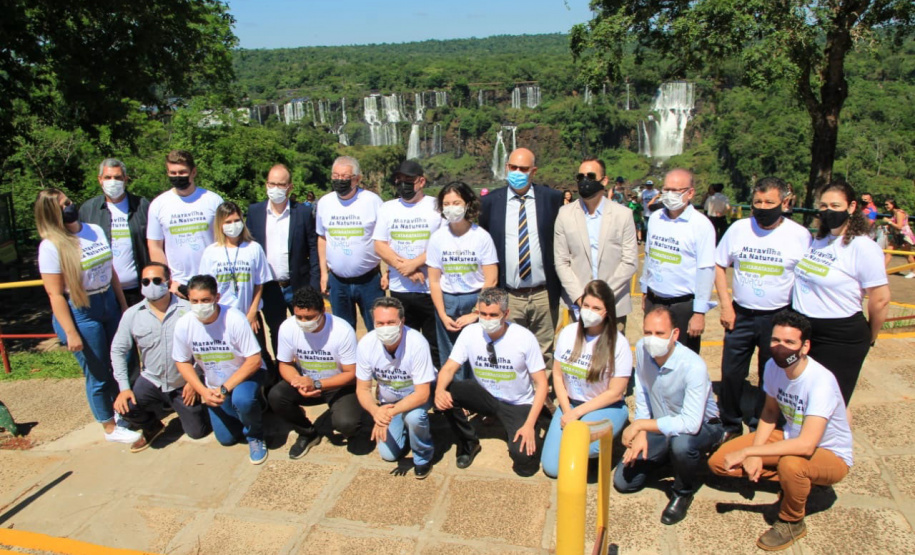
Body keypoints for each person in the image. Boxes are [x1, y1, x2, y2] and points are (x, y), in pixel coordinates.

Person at [708, 310, 853, 552]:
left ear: (805, 346)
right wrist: (755, 452)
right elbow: (770, 413)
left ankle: (792, 520)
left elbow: (807, 445)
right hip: (789, 437)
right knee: (719, 463)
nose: (780, 347)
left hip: (829, 453)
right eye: (775, 340)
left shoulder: (820, 382)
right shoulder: (773, 367)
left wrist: (750, 453)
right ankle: (800, 482)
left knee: (791, 465)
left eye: (789, 342)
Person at [35, 188, 137, 443]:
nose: (69, 207)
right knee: (99, 372)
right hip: (81, 310)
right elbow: (55, 294)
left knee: (121, 361)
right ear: (52, 214)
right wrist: (70, 332)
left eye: (68, 201)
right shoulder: (51, 246)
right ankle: (110, 427)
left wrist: (123, 306)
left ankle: (122, 411)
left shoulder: (94, 230)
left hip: (108, 301)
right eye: (62, 206)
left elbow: (110, 270)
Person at [715, 177, 811, 441]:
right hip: (741, 313)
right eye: (757, 202)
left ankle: (762, 423)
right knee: (732, 372)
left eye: (769, 202)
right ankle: (730, 423)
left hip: (778, 317)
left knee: (772, 372)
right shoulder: (738, 229)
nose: (763, 207)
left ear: (784, 202)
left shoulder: (799, 235)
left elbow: (808, 277)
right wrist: (726, 305)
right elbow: (719, 265)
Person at [614, 306, 723, 525]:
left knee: (682, 444)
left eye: (659, 334)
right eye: (647, 332)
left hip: (702, 427)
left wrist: (641, 425)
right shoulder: (644, 350)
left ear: (675, 334)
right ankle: (668, 457)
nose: (652, 339)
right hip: (663, 424)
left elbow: (691, 423)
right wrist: (643, 431)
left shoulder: (693, 366)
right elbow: (643, 390)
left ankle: (682, 492)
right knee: (624, 482)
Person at [793, 181, 890, 405]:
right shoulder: (820, 240)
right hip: (805, 329)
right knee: (802, 398)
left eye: (835, 205)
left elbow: (881, 298)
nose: (828, 211)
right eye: (824, 206)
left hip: (838, 336)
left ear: (852, 207)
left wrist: (871, 336)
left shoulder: (862, 247)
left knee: (828, 403)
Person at [435, 288, 549, 477]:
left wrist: (529, 424)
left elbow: (542, 384)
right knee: (446, 390)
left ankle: (528, 425)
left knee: (524, 464)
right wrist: (439, 390)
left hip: (517, 403)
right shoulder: (470, 333)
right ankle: (468, 443)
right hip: (485, 397)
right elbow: (448, 368)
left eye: (493, 315)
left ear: (506, 314)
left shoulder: (524, 338)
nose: (487, 319)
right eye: (483, 314)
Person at [111, 263, 210, 452]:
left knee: (197, 432)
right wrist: (124, 388)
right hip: (152, 379)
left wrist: (195, 380)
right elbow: (118, 350)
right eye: (145, 281)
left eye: (157, 280)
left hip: (183, 383)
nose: (151, 285)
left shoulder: (189, 310)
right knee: (125, 407)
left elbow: (205, 347)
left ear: (168, 282)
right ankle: (151, 426)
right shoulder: (132, 315)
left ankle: (185, 408)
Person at [479, 148, 563, 365]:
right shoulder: (490, 203)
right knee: (510, 350)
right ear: (506, 168)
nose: (517, 172)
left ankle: (542, 396)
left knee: (544, 351)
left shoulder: (552, 199)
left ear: (533, 171)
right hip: (510, 294)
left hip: (543, 293)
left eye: (523, 169)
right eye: (513, 167)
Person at [541, 280, 632, 478]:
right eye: (586, 306)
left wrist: (577, 414)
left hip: (604, 406)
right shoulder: (568, 333)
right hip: (571, 403)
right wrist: (566, 410)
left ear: (607, 311)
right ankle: (577, 446)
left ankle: (603, 441)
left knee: (584, 445)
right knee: (552, 468)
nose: (589, 311)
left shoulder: (619, 344)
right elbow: (557, 374)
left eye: (596, 308)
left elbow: (615, 392)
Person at [173, 275, 267, 464]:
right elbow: (181, 361)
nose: (200, 305)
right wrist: (203, 391)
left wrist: (225, 389)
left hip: (245, 376)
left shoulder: (234, 318)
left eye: (205, 300)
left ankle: (255, 435)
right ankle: (252, 412)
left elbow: (254, 360)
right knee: (226, 439)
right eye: (195, 301)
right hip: (213, 385)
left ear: (217, 297)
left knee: (243, 400)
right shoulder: (184, 324)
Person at [268, 286, 364, 459]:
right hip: (306, 381)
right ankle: (307, 432)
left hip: (338, 384)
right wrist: (297, 381)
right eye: (299, 317)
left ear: (322, 311)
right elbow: (285, 364)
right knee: (276, 396)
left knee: (347, 423)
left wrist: (318, 384)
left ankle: (355, 419)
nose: (304, 322)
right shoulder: (288, 328)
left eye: (309, 317)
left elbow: (352, 373)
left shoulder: (342, 331)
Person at [356, 297, 436, 479]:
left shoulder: (417, 343)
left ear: (402, 321)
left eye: (391, 322)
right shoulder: (366, 344)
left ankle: (423, 456)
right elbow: (362, 388)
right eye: (380, 323)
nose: (385, 327)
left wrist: (387, 415)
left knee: (415, 417)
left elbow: (422, 394)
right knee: (389, 455)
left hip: (415, 398)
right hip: (388, 403)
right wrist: (376, 412)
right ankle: (405, 429)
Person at [554, 158, 638, 330]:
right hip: (578, 306)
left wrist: (602, 298)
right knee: (578, 356)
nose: (585, 181)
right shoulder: (564, 214)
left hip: (613, 305)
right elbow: (561, 261)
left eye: (591, 176)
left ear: (604, 180)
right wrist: (581, 298)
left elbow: (629, 261)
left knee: (611, 356)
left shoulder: (623, 215)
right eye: (580, 177)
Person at [247, 164, 320, 362]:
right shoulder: (254, 212)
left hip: (297, 284)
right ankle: (282, 372)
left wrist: (315, 284)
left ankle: (309, 368)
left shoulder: (303, 213)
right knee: (277, 331)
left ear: (290, 187)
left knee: (306, 329)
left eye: (281, 184)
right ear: (266, 185)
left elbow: (313, 249)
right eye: (272, 183)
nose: (276, 188)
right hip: (270, 287)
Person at [639, 168, 715, 354]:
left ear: (690, 193)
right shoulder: (656, 218)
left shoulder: (701, 225)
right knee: (653, 350)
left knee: (682, 357)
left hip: (682, 305)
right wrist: (644, 291)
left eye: (675, 190)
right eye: (666, 190)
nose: (669, 195)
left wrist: (699, 312)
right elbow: (650, 255)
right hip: (654, 299)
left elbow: (706, 270)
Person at [373, 160, 442, 365]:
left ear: (421, 181)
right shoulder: (387, 208)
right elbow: (380, 245)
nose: (403, 184)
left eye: (409, 180)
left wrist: (414, 264)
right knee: (404, 340)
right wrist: (405, 269)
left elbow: (442, 243)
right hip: (400, 288)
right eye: (399, 180)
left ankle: (434, 387)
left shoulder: (436, 206)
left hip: (431, 288)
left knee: (434, 343)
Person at [426, 181, 498, 376]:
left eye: (456, 202)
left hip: (475, 299)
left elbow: (491, 280)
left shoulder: (481, 237)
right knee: (450, 356)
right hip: (447, 300)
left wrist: (476, 312)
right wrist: (442, 314)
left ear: (467, 204)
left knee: (478, 353)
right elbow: (433, 280)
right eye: (447, 204)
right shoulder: (437, 238)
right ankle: (456, 400)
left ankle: (479, 400)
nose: (451, 208)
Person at [316, 155, 386, 331]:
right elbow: (322, 238)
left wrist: (388, 273)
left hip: (369, 280)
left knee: (377, 329)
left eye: (345, 177)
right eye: (336, 176)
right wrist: (324, 274)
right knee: (342, 332)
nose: (340, 180)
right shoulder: (325, 202)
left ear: (357, 178)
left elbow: (386, 239)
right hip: (338, 281)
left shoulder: (373, 201)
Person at [147, 150, 224, 297]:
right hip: (178, 285)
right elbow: (155, 246)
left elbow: (225, 241)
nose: (177, 177)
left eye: (182, 172)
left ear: (193, 172)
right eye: (173, 173)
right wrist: (168, 281)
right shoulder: (158, 205)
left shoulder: (213, 201)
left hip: (213, 281)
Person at [79, 158, 150, 305]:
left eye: (117, 177)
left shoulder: (142, 206)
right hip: (103, 293)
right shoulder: (88, 210)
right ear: (100, 180)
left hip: (139, 291)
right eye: (108, 177)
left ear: (125, 179)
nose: (113, 182)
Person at [882, 198, 915, 278]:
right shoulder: (894, 213)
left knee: (907, 254)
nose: (886, 206)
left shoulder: (899, 213)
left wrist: (889, 221)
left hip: (904, 236)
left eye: (887, 204)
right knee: (888, 252)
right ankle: (881, 271)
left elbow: (900, 226)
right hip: (897, 235)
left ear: (893, 204)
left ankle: (913, 271)